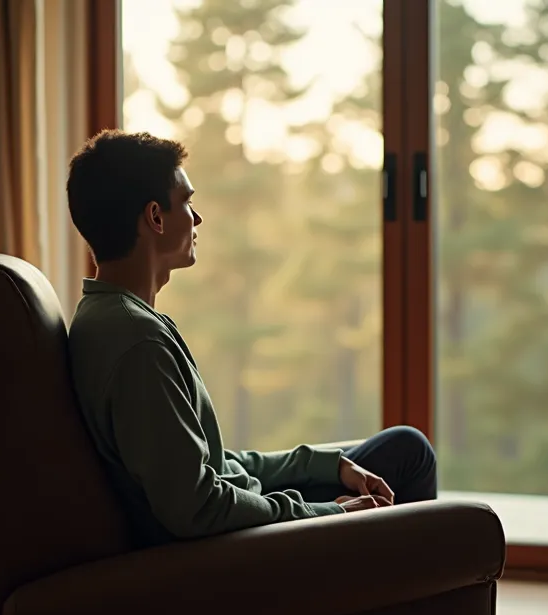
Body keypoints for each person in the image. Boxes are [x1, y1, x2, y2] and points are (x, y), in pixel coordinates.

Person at [65, 129, 438, 547]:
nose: (197, 217)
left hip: (246, 515)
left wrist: (329, 467)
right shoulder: (137, 342)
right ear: (155, 217)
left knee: (403, 447)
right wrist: (329, 512)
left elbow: (214, 465)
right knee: (410, 458)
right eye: (187, 202)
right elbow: (200, 506)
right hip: (240, 552)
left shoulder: (114, 317)